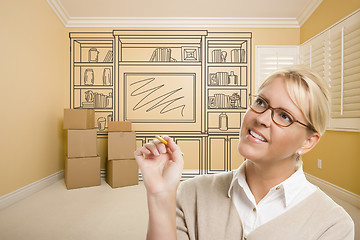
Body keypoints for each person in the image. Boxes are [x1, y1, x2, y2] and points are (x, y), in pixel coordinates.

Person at [134, 65, 354, 240]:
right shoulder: (191, 193)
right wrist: (161, 195)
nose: (261, 118)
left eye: (284, 116)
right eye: (261, 102)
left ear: (307, 142)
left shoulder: (333, 224)